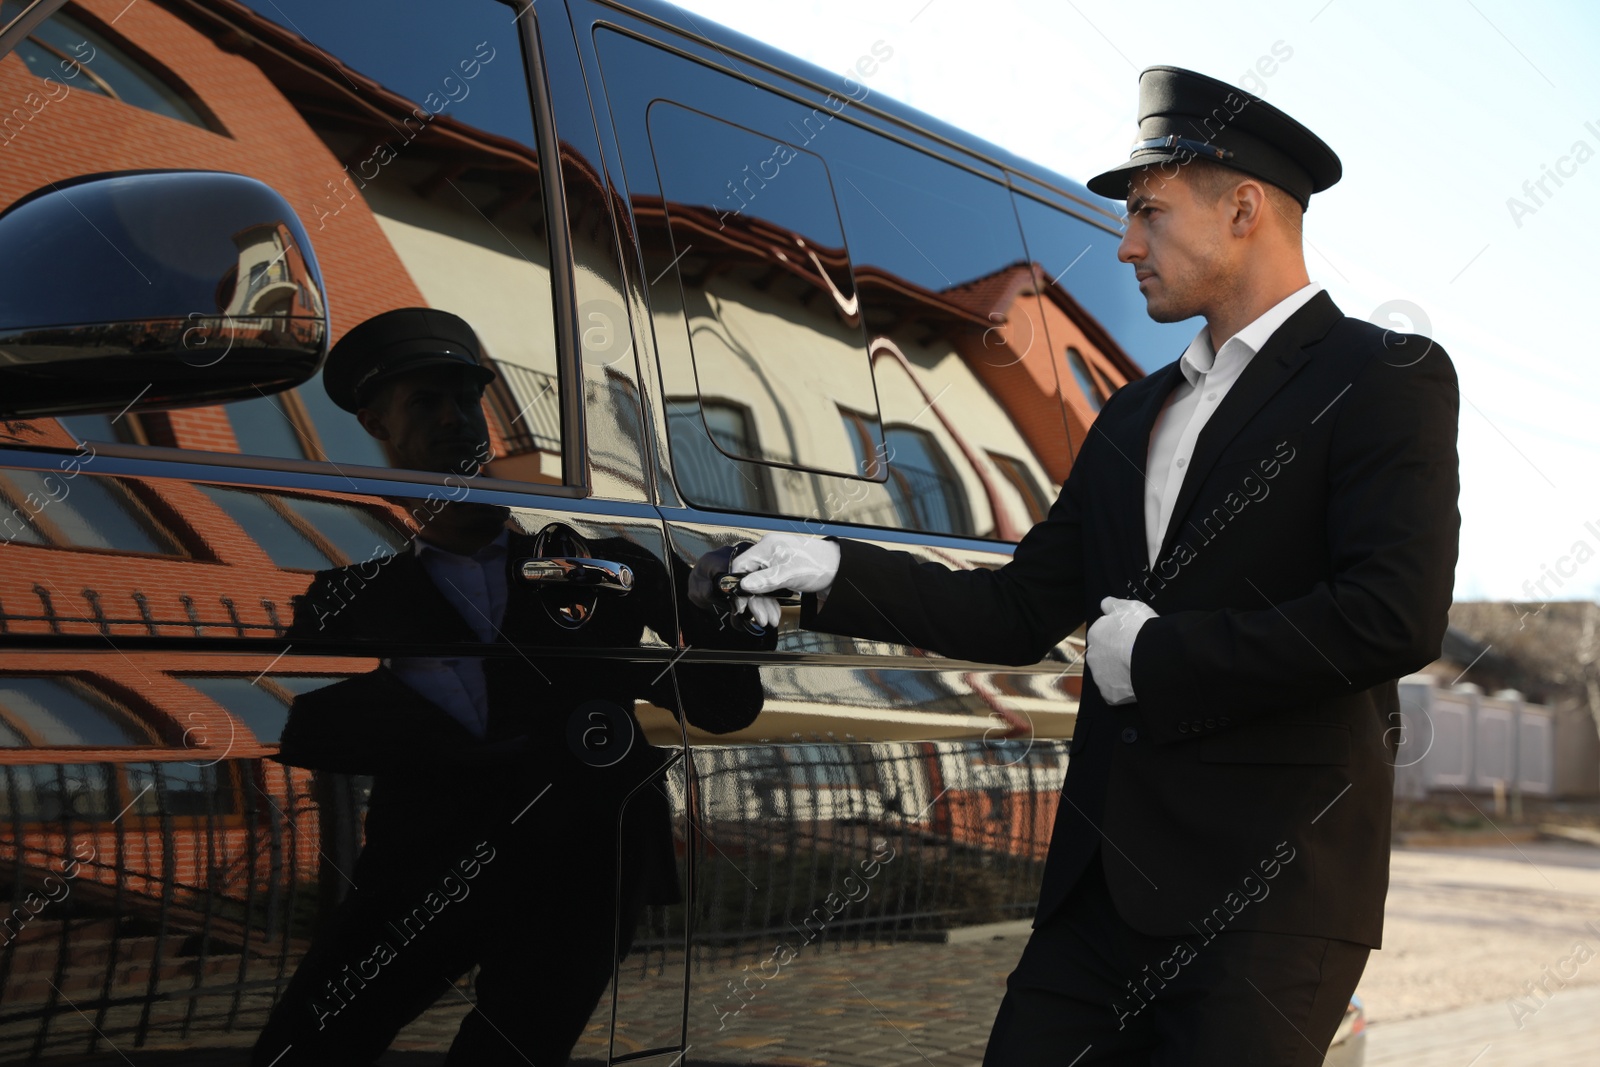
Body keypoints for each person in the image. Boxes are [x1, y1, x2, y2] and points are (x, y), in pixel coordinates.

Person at [698, 66, 1460, 1064]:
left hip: (1266, 904)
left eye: (1147, 212)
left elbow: (1389, 616)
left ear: (1241, 209)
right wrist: (833, 568)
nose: (1124, 243)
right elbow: (1017, 609)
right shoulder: (1133, 413)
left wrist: (1159, 657)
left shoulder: (1379, 376)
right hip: (1097, 898)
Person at [251, 308, 765, 1065]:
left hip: (577, 875)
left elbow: (727, 704)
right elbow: (298, 722)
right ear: (376, 422)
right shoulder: (348, 599)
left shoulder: (606, 566)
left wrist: (724, 615)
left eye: (469, 400)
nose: (460, 421)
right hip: (421, 874)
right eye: (427, 402)